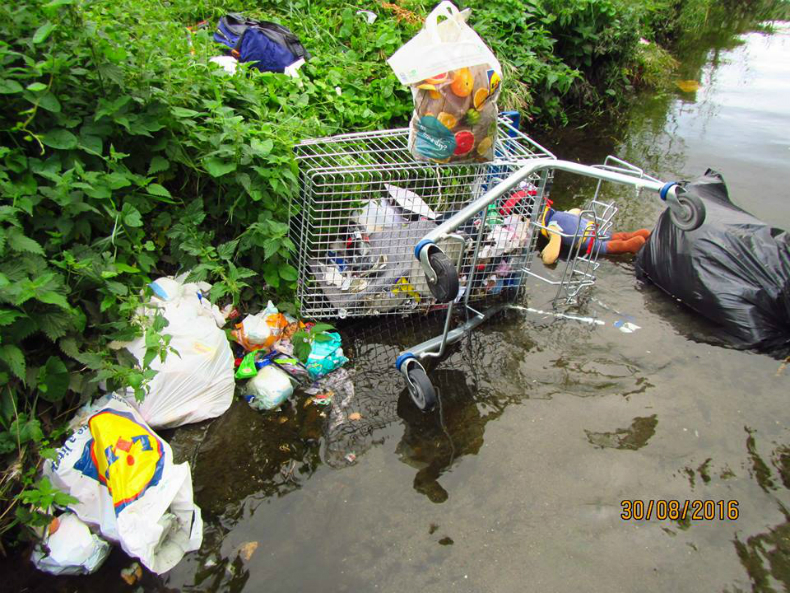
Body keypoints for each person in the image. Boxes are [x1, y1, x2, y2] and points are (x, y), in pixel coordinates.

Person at [540, 206, 651, 265]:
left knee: (605, 246)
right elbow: (575, 211)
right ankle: (635, 235)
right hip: (591, 227)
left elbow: (551, 254)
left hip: (585, 239)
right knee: (611, 236)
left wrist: (545, 257)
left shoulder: (552, 227)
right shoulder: (561, 214)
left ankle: (631, 245)